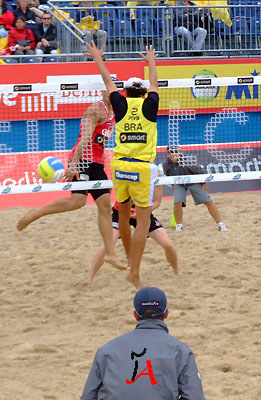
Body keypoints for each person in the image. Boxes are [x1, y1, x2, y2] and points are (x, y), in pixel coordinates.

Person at [17, 90, 126, 271]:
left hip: (98, 163)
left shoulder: (116, 111)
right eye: (107, 91)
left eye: (114, 91)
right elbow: (84, 138)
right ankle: (37, 213)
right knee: (77, 202)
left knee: (105, 206)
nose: (111, 94)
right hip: (82, 159)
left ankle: (110, 253)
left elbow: (102, 141)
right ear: (102, 92)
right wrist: (74, 163)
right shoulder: (95, 110)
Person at [85, 41, 158, 289]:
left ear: (125, 92)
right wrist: (152, 62)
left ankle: (126, 259)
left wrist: (98, 57)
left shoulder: (120, 104)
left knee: (124, 217)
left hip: (119, 166)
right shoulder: (150, 105)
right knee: (144, 222)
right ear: (144, 93)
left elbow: (108, 82)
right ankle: (134, 270)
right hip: (141, 167)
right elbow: (156, 84)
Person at [80, 287, 207, 399]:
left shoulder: (107, 351)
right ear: (166, 314)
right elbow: (194, 396)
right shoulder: (181, 351)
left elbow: (88, 396)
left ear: (136, 315)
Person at [88, 183, 179, 282]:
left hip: (143, 212)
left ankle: (177, 271)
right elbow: (108, 191)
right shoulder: (125, 171)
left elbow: (157, 202)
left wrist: (141, 211)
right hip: (121, 213)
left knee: (167, 244)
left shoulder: (154, 175)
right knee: (107, 245)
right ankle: (90, 278)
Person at [161, 144, 227, 232]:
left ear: (179, 152)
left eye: (176, 151)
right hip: (179, 183)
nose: (174, 154)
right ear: (168, 154)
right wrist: (173, 185)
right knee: (177, 203)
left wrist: (203, 183)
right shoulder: (166, 164)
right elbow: (169, 176)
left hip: (193, 182)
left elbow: (200, 171)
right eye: (172, 152)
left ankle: (221, 224)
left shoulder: (187, 161)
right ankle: (179, 226)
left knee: (208, 201)